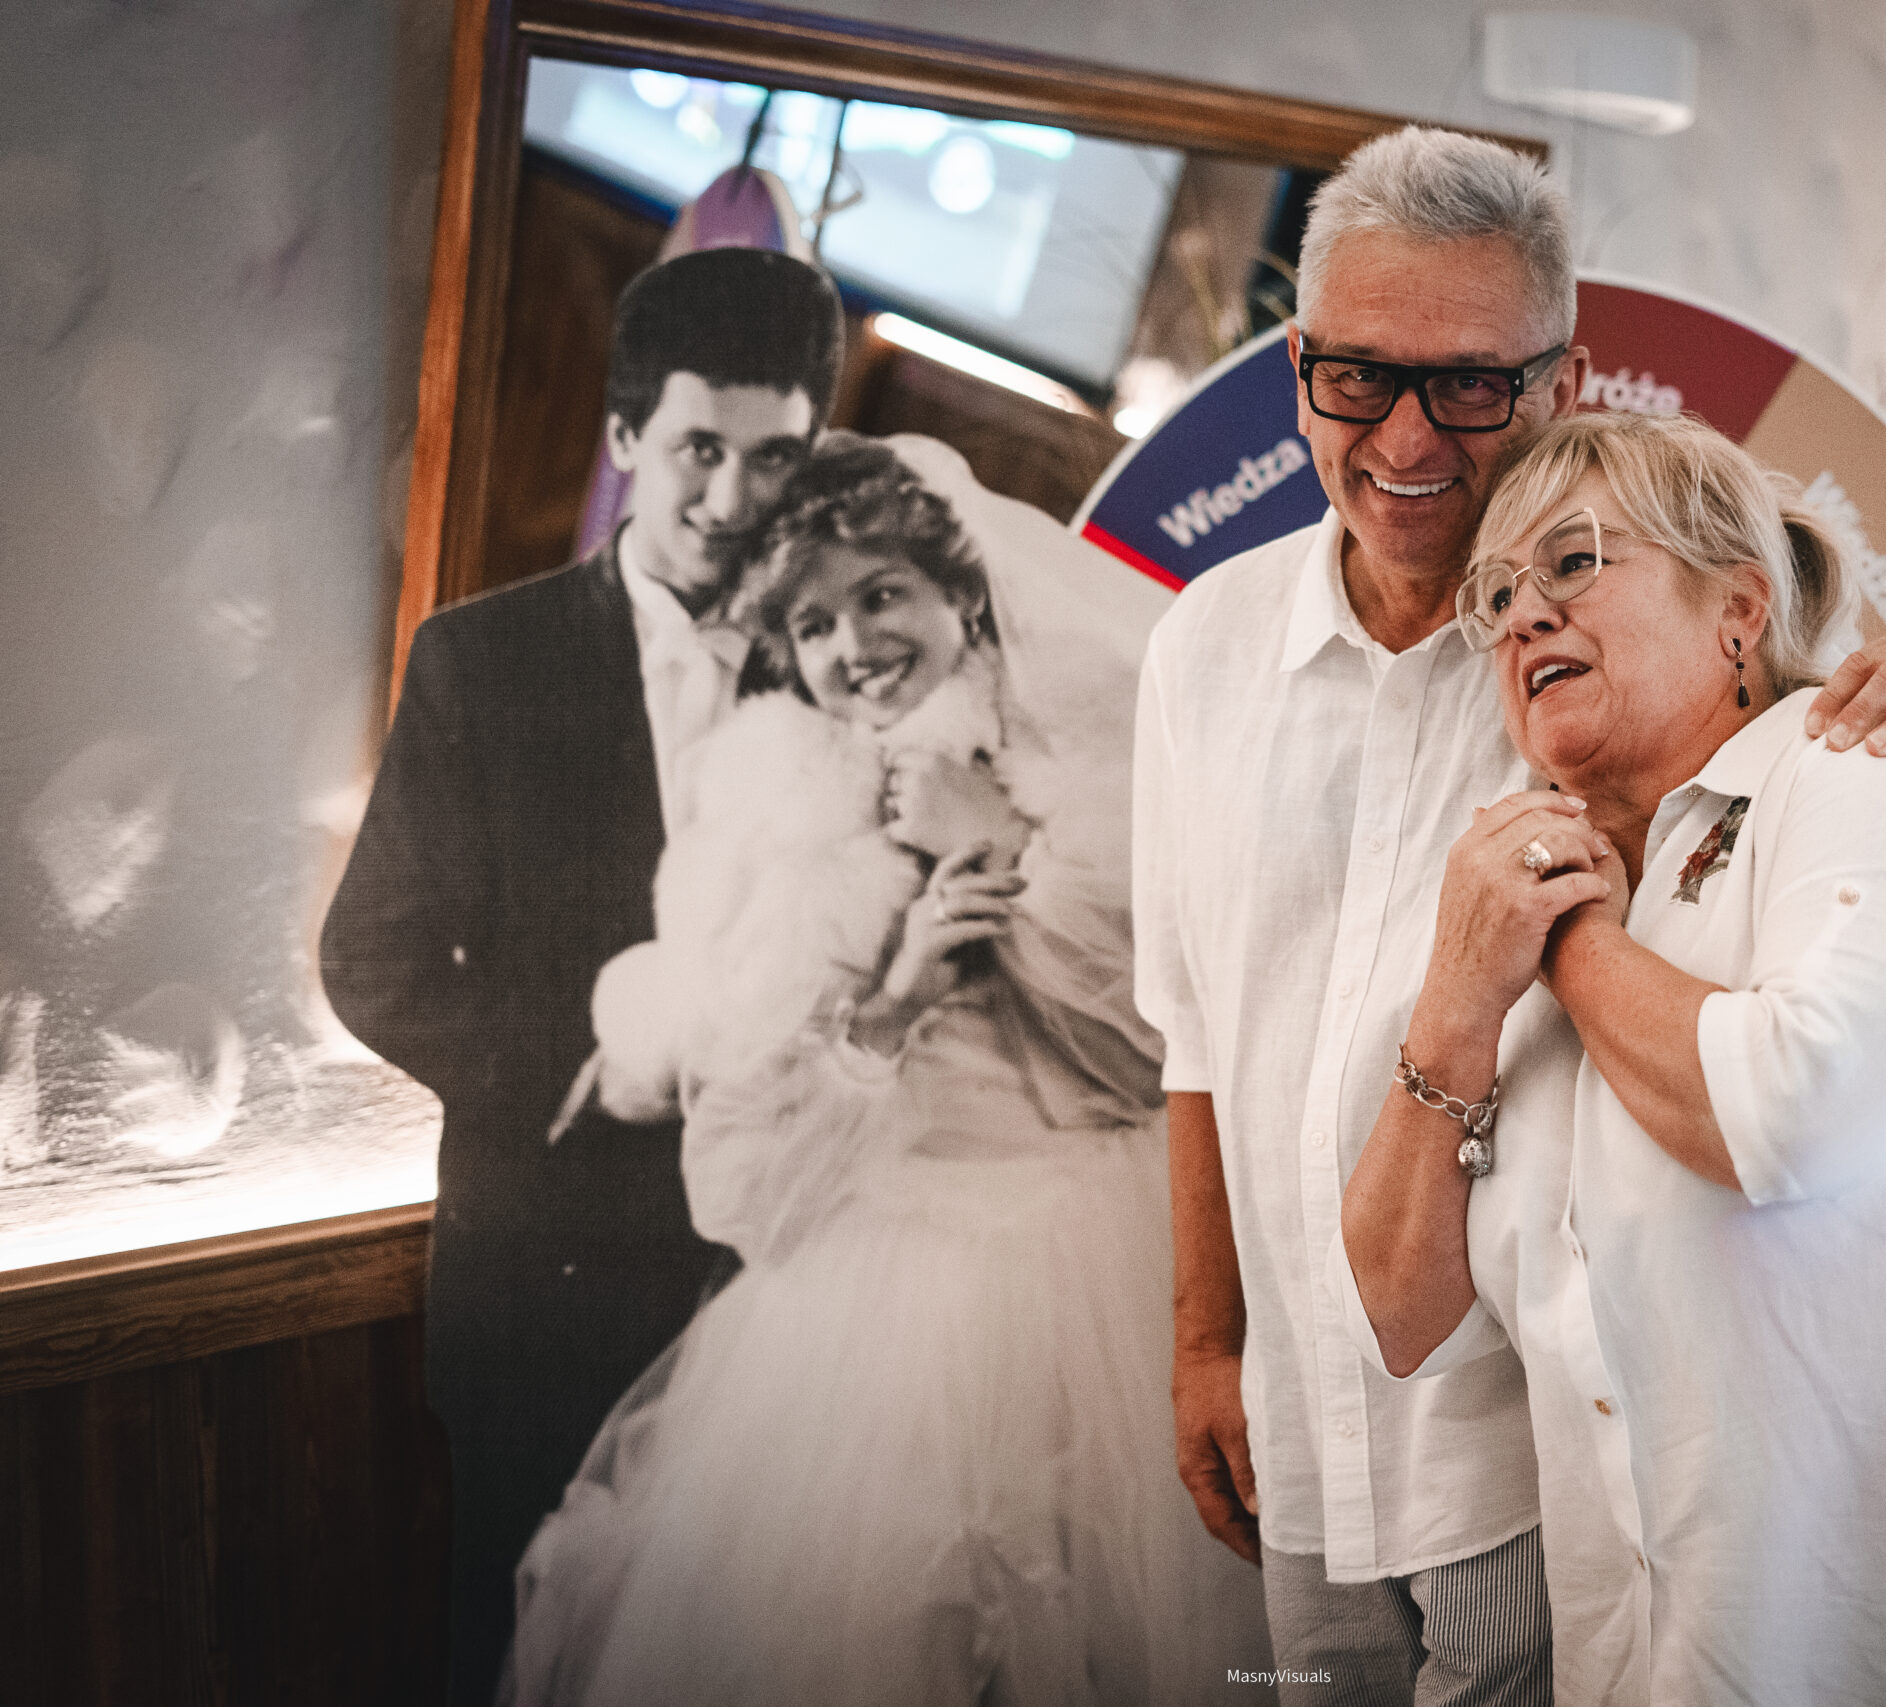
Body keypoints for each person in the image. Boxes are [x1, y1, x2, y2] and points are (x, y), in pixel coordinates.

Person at [1132, 126, 1886, 1704]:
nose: (1407, 433)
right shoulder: (1201, 647)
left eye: (1470, 383)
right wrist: (1204, 1340)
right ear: (1298, 370)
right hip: (1314, 1407)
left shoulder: (1641, 630)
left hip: (1541, 1446)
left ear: (1561, 381)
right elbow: (1194, 1028)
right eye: (1359, 376)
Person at [1339, 412, 1886, 1705]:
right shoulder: (1515, 896)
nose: (1523, 614)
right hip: (1676, 1648)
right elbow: (1398, 1314)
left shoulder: (1881, 762)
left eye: (1573, 561)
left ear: (1739, 610)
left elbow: (1796, 1112)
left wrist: (1572, 940)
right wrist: (1459, 997)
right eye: (1497, 596)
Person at [500, 435, 1267, 1706]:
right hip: (874, 1301)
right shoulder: (773, 833)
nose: (853, 643)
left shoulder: (1094, 769)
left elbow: (1161, 1063)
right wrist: (897, 995)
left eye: (880, 594)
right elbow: (740, 1188)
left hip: (1102, 1268)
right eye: (811, 624)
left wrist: (1003, 847)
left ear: (959, 590)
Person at [319, 247, 845, 1705]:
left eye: (774, 458)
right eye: (698, 449)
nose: (732, 499)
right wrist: (593, 1068)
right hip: (545, 1285)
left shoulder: (847, 666)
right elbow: (369, 959)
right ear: (625, 437)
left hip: (776, 1301)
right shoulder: (481, 662)